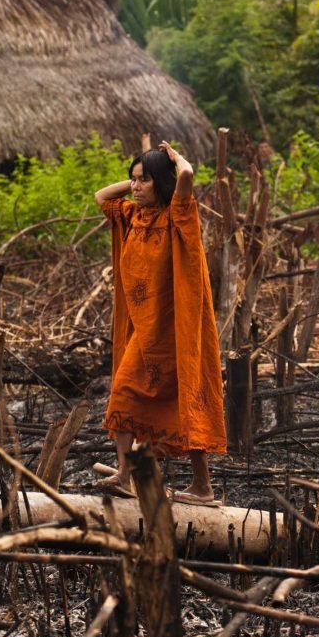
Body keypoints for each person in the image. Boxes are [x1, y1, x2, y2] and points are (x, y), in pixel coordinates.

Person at [92, 141, 227, 506]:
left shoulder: (178, 215)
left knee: (178, 401)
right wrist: (135, 179)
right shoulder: (131, 215)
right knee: (135, 399)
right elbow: (101, 195)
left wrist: (173, 160)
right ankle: (128, 476)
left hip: (174, 332)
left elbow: (186, 174)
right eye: (133, 180)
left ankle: (200, 488)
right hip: (144, 331)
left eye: (144, 181)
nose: (135, 187)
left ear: (162, 183)